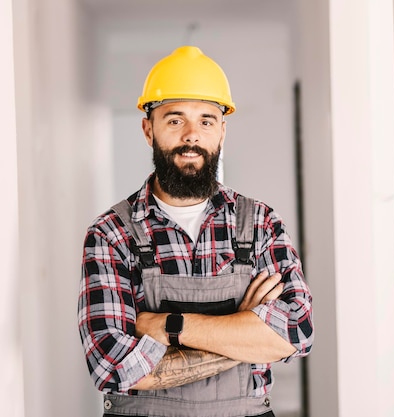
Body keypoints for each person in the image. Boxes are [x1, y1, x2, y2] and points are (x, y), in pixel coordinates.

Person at [78, 45, 314, 417]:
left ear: (222, 131)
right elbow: (113, 365)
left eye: (206, 120)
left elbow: (296, 332)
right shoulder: (111, 234)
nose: (192, 135)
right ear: (147, 128)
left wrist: (168, 326)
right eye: (175, 120)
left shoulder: (262, 223)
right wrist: (243, 330)